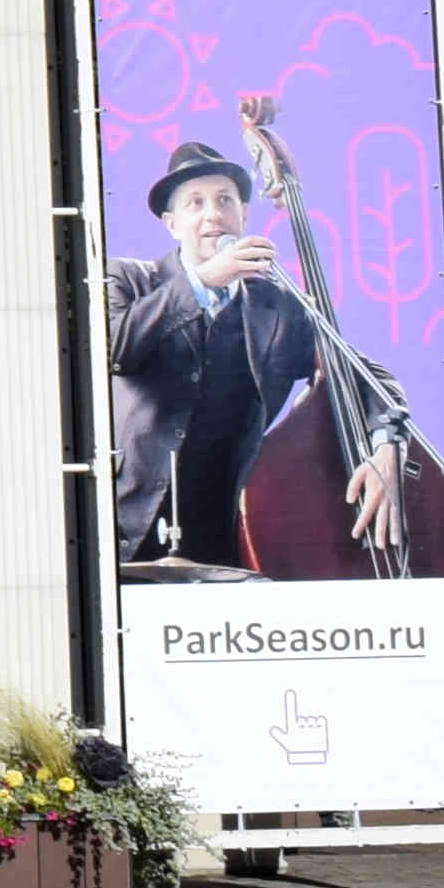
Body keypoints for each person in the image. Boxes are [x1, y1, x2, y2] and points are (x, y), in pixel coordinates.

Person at [106, 141, 330, 569]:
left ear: (243, 215)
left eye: (225, 200)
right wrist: (204, 281)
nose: (213, 214)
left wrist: (385, 442)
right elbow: (115, 347)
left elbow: (352, 371)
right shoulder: (129, 280)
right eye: (195, 203)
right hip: (133, 524)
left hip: (235, 532)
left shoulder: (278, 305)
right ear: (172, 224)